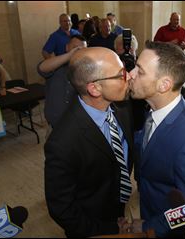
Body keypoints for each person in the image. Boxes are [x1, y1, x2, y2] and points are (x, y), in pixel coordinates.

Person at [122, 41, 185, 238]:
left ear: (164, 85)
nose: (130, 74)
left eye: (140, 71)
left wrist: (151, 225)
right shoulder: (154, 109)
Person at [44, 47, 135, 237]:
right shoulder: (62, 143)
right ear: (94, 88)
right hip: (92, 225)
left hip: (118, 205)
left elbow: (155, 85)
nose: (130, 77)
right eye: (121, 75)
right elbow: (62, 209)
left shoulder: (122, 105)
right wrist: (109, 230)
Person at [37, 35, 87, 128]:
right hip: (56, 121)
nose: (78, 51)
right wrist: (69, 56)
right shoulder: (56, 65)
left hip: (77, 121)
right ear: (67, 47)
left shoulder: (86, 69)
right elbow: (42, 68)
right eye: (75, 48)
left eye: (82, 49)